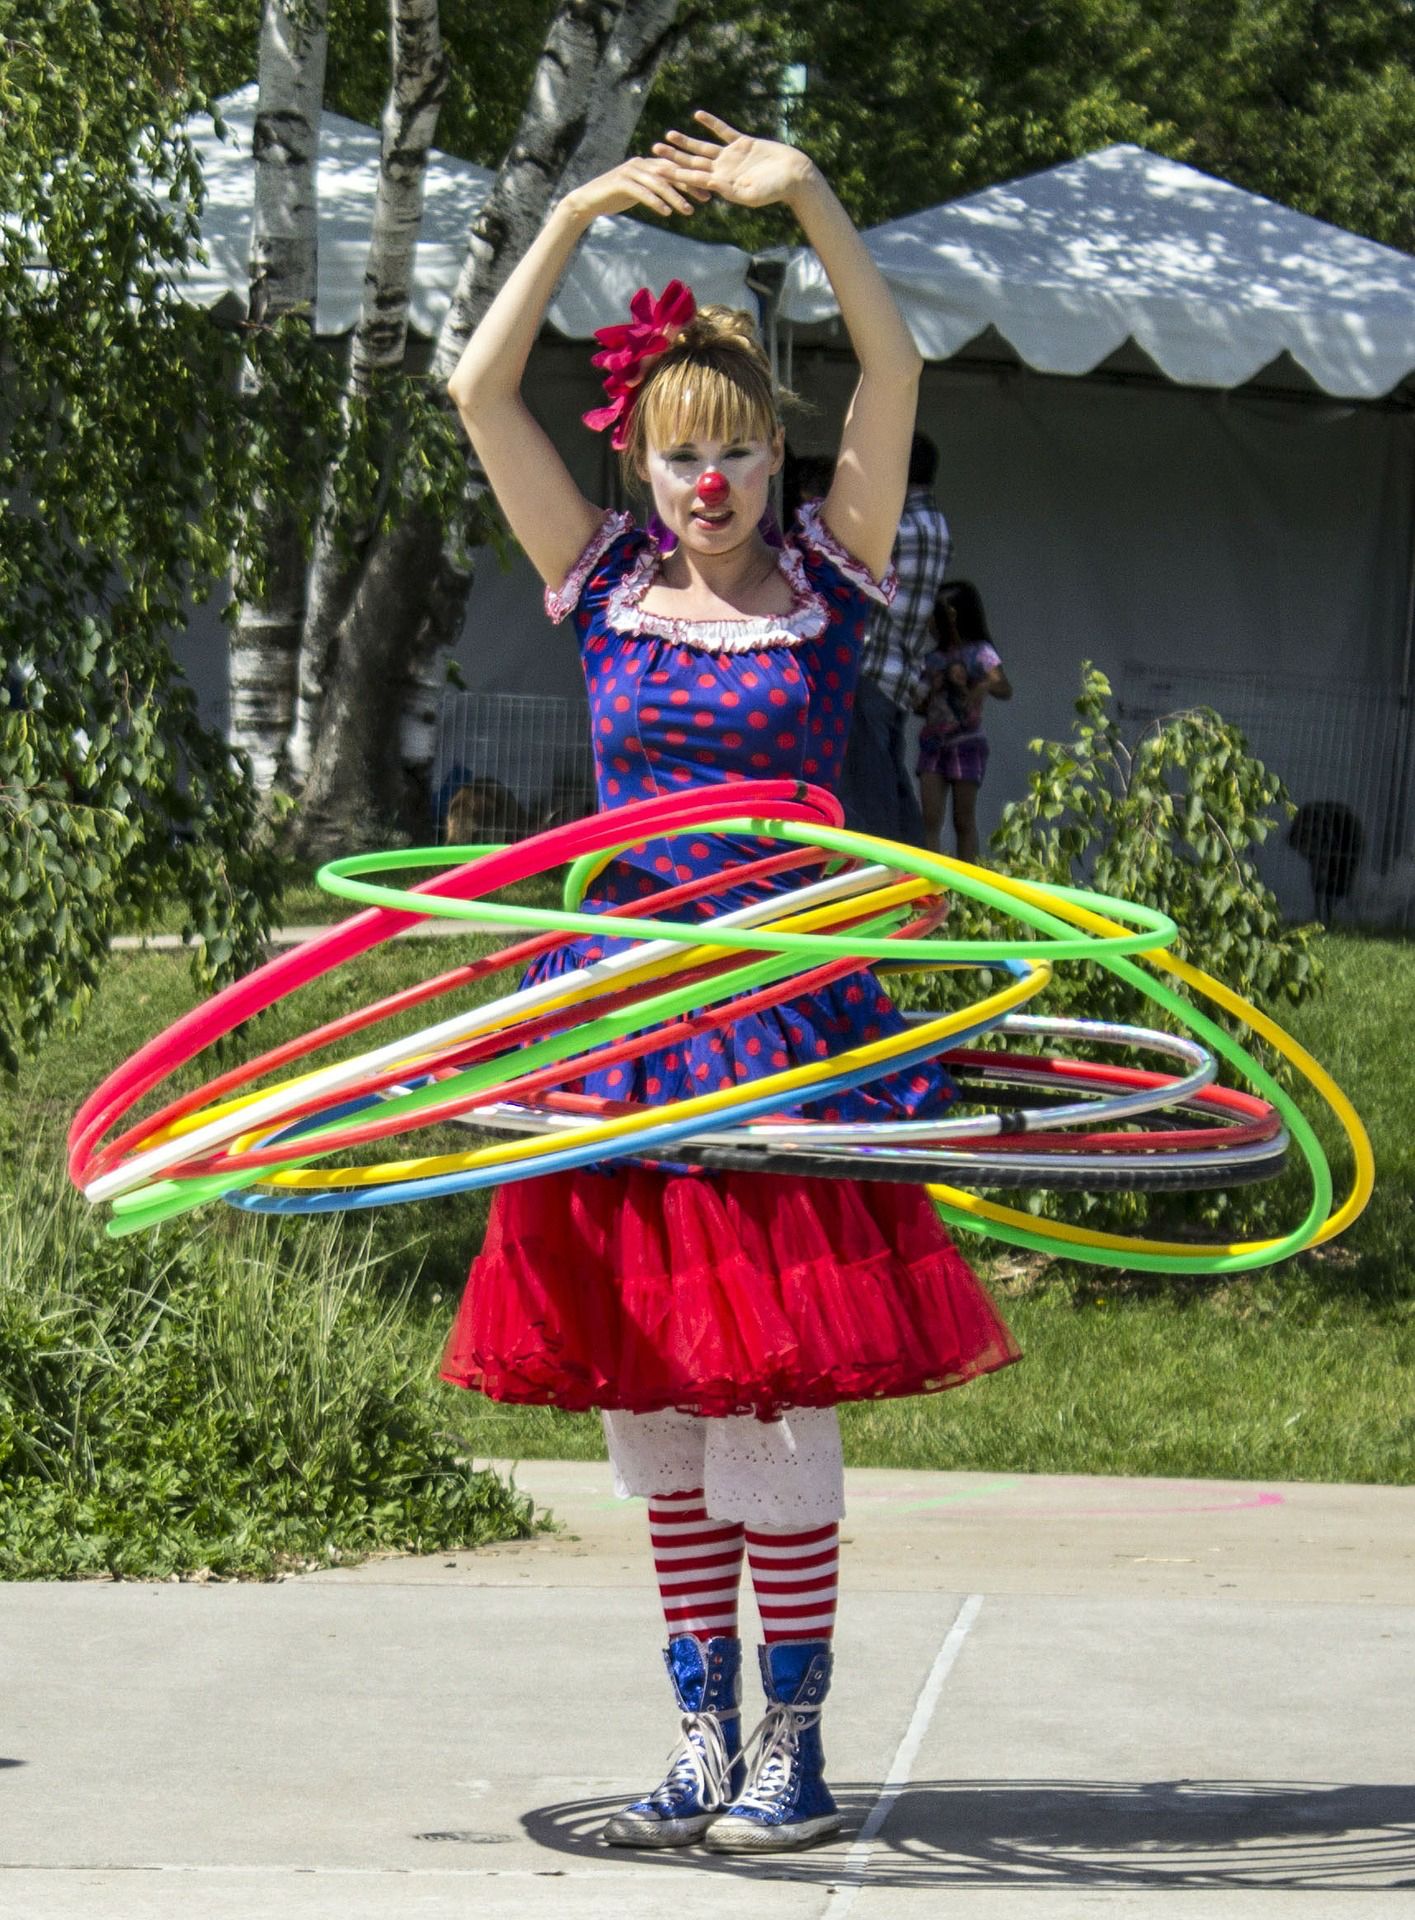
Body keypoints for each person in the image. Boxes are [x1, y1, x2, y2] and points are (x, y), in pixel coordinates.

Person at [444, 112, 1018, 1855]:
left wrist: (815, 203)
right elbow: (480, 391)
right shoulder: (601, 581)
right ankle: (696, 1738)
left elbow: (897, 364)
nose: (711, 485)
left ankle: (795, 1746)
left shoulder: (831, 583)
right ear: (638, 465)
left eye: (740, 454)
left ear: (774, 462)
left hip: (790, 1019)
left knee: (771, 1395)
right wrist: (577, 209)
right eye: (682, 456)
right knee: (665, 1405)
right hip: (633, 1022)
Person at [834, 431, 952, 846]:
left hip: (872, 667)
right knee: (892, 784)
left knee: (866, 797)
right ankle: (913, 880)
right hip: (900, 672)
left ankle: (878, 886)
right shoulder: (935, 524)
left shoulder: (898, 526)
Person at [916, 580, 1012, 863]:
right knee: (930, 817)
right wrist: (930, 691)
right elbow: (920, 706)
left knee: (962, 818)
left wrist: (981, 687)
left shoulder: (980, 652)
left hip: (966, 742)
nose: (930, 623)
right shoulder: (931, 660)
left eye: (935, 615)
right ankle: (930, 880)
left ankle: (966, 888)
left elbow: (1004, 688)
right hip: (933, 742)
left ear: (953, 616)